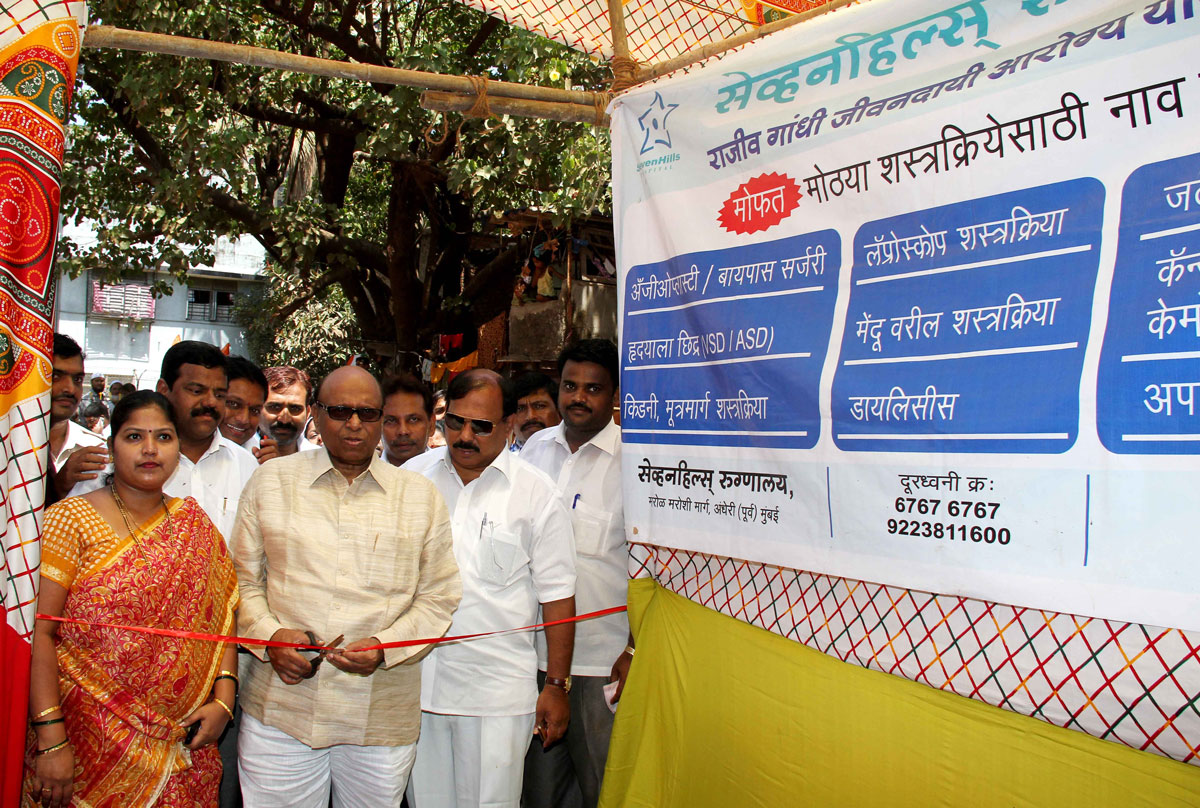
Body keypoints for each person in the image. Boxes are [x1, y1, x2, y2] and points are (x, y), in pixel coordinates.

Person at [232, 365, 462, 807]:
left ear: (380, 417)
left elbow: (439, 595)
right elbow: (241, 579)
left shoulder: (419, 496)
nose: (354, 424)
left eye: (367, 413)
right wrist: (270, 637)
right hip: (282, 709)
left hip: (378, 714)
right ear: (316, 415)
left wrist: (384, 646)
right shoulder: (271, 482)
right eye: (339, 411)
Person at [24, 391, 239, 807]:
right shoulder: (68, 521)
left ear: (178, 447)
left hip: (183, 743)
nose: (149, 449)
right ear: (111, 446)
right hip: (86, 738)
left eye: (163, 437)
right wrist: (51, 737)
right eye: (134, 436)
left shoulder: (194, 522)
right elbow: (40, 633)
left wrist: (224, 700)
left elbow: (222, 616)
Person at [403, 370, 575, 808]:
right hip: (412, 687)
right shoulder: (409, 481)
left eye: (480, 426)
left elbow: (558, 595)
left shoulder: (537, 493)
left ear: (508, 424)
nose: (464, 436)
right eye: (455, 422)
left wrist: (556, 684)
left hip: (495, 694)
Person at [521, 339, 632, 808]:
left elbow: (653, 571)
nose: (578, 398)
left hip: (600, 663)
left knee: (601, 789)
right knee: (538, 792)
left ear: (614, 396)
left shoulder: (634, 463)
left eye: (593, 389)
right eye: (570, 386)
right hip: (531, 659)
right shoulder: (533, 449)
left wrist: (634, 649)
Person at [45, 334, 108, 505]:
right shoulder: (8, 446)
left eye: (77, 379)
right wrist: (57, 487)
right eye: (55, 376)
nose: (70, 389)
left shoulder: (97, 450)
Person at [220, 356, 279, 464]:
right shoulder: (180, 454)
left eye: (254, 411)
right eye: (234, 404)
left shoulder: (262, 460)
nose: (244, 419)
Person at [259, 366, 315, 456]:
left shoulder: (324, 461)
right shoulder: (237, 456)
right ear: (258, 409)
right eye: (275, 407)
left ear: (308, 413)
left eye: (295, 409)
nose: (284, 420)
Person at [381, 373, 435, 466]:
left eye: (413, 419)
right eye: (391, 421)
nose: (403, 431)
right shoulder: (361, 477)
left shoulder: (452, 476)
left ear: (431, 425)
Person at [511, 372, 561, 452]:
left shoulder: (575, 456)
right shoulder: (500, 462)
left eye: (539, 406)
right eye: (520, 409)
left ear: (559, 412)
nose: (530, 416)